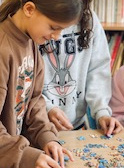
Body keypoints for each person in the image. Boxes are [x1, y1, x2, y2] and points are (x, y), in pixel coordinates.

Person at [0, 0, 84, 167]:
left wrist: (46, 137)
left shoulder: (30, 42)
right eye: (53, 27)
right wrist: (24, 155)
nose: (57, 36)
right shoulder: (3, 48)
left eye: (62, 30)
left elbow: (34, 102)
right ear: (29, 9)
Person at [40, 0, 123, 137]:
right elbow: (24, 79)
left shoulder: (89, 20)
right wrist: (47, 108)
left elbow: (98, 70)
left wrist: (101, 111)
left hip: (77, 125)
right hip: (39, 127)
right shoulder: (39, 19)